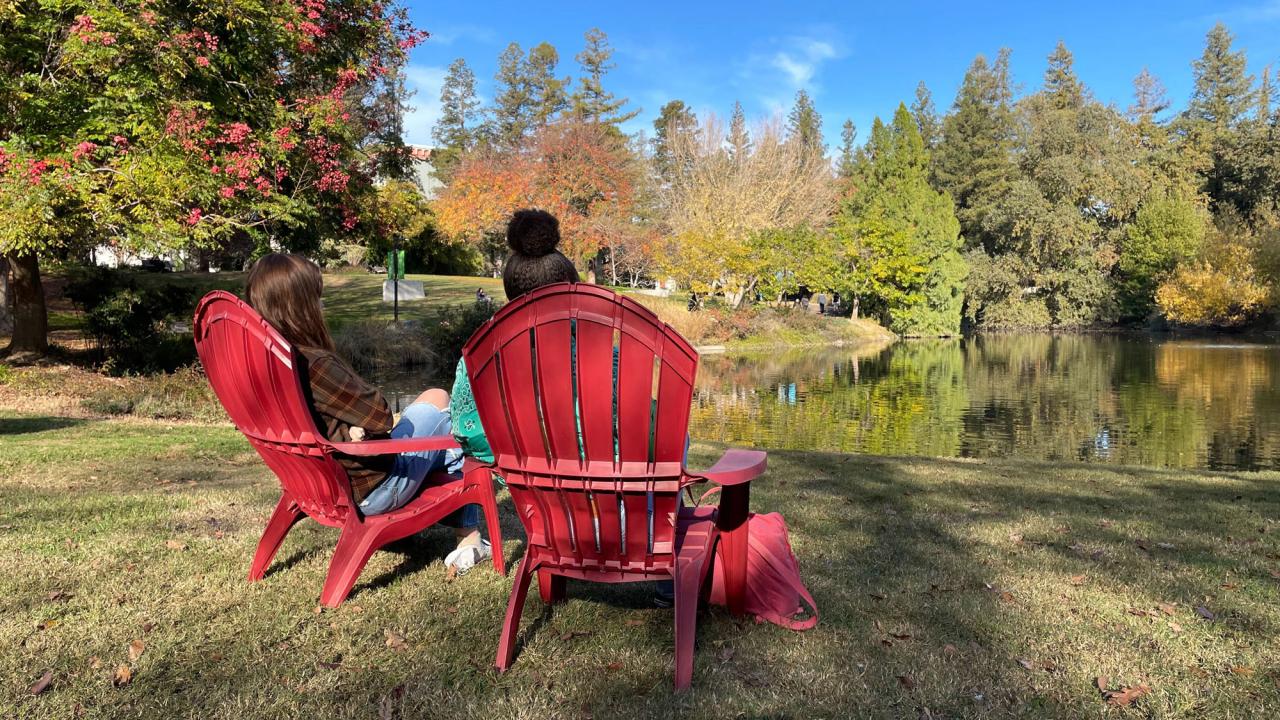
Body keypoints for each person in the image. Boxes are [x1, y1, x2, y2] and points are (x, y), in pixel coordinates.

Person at [245, 254, 492, 576]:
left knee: (435, 414)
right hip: (369, 491)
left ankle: (464, 534)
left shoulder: (265, 363)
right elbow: (380, 417)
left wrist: (348, 427)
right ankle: (469, 538)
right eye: (318, 298)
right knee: (444, 409)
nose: (322, 306)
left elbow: (328, 421)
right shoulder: (314, 364)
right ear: (302, 305)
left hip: (312, 484)